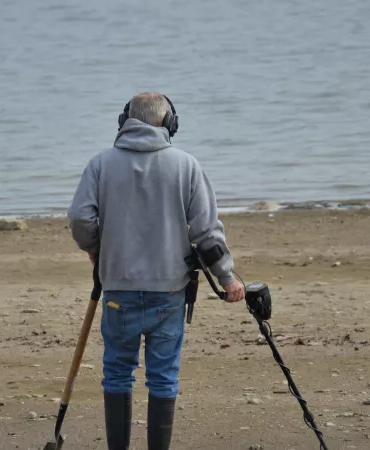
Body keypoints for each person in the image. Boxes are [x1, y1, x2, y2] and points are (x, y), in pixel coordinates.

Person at [67, 92, 244, 450]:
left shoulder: (101, 164)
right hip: (169, 293)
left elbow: (80, 218)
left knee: (117, 373)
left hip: (117, 288)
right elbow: (207, 233)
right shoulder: (186, 165)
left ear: (124, 121)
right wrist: (228, 278)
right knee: (163, 378)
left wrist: (96, 249)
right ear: (169, 124)